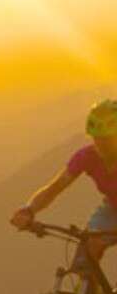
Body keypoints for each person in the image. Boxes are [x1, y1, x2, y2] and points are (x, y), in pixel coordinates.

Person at [10, 99, 117, 269]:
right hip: (113, 208)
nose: (101, 145)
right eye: (97, 139)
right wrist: (29, 210)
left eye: (107, 139)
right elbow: (55, 188)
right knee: (86, 254)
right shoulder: (87, 157)